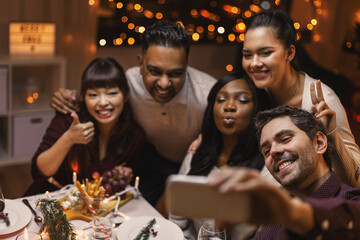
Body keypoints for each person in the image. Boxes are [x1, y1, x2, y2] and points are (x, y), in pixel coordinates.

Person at [48, 21, 217, 205]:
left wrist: (212, 136)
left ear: (186, 66)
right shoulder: (129, 81)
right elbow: (101, 95)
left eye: (175, 73)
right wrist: (65, 97)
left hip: (192, 164)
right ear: (140, 63)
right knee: (136, 212)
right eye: (154, 71)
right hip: (150, 158)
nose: (163, 83)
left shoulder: (208, 95)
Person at [238, 10, 360, 187]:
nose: (254, 63)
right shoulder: (255, 91)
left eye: (265, 53)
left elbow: (356, 180)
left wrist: (332, 135)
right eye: (247, 55)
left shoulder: (321, 100)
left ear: (289, 53)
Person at [207, 105, 360, 239]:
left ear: (319, 143)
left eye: (285, 139)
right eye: (266, 151)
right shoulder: (273, 225)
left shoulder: (353, 202)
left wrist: (290, 211)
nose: (274, 151)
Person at [171, 71, 278, 239]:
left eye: (242, 100)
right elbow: (177, 219)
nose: (229, 106)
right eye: (220, 99)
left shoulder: (267, 171)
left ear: (257, 108)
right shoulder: (196, 155)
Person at [25, 58, 146, 195]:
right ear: (84, 97)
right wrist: (68, 138)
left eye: (112, 93)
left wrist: (124, 174)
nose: (102, 102)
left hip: (98, 209)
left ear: (125, 95)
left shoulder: (135, 135)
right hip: (52, 199)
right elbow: (39, 171)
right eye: (93, 95)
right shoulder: (68, 119)